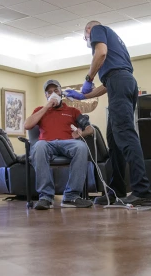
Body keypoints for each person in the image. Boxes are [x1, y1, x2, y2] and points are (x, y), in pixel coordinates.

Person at [66, 21, 151, 207]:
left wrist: (88, 78)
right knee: (114, 141)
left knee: (126, 135)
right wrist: (83, 95)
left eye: (86, 37)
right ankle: (117, 192)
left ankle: (142, 192)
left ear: (88, 30)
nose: (88, 41)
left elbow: (101, 53)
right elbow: (107, 83)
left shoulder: (98, 29)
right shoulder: (118, 45)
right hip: (122, 82)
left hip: (120, 83)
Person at [24, 80, 95, 210]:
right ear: (46, 95)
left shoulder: (72, 110)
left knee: (81, 147)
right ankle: (46, 197)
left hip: (67, 143)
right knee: (39, 147)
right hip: (47, 144)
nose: (53, 94)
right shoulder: (40, 110)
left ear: (61, 92)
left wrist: (81, 134)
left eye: (56, 91)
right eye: (49, 92)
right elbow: (27, 125)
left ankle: (71, 197)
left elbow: (90, 129)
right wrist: (47, 106)